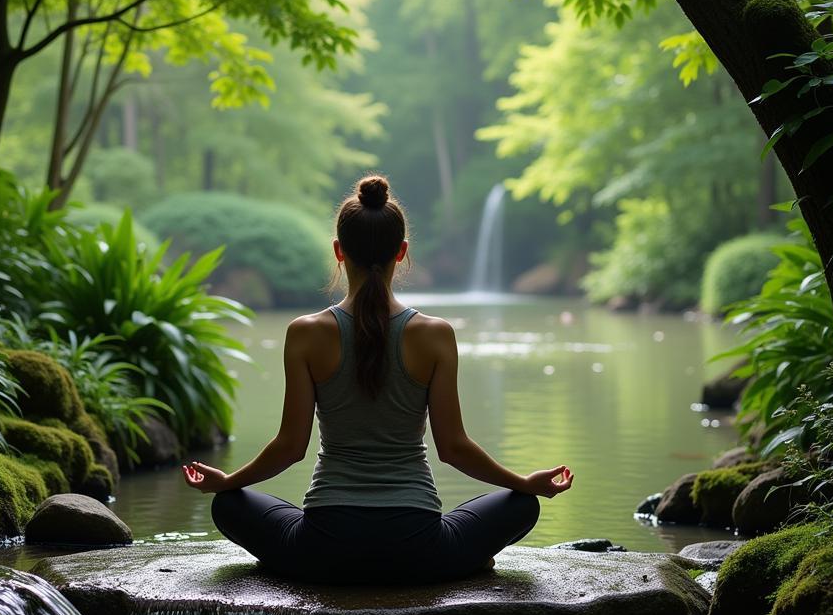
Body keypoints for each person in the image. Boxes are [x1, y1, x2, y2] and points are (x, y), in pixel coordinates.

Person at [182, 174, 573, 584]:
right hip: (418, 546)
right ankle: (458, 562)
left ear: (338, 251)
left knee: (227, 505)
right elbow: (454, 449)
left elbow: (290, 448)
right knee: (524, 506)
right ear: (402, 253)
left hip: (324, 546)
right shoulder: (435, 335)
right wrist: (524, 483)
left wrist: (227, 481)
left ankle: (293, 562)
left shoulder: (306, 333)